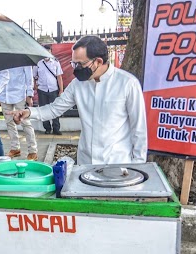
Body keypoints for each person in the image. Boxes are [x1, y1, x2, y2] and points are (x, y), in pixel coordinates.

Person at [11, 35, 147, 165]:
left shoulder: (127, 83)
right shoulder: (78, 85)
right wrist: (29, 113)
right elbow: (54, 109)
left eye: (80, 64)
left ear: (98, 61)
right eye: (73, 64)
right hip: (85, 162)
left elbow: (138, 129)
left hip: (117, 163)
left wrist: (138, 165)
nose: (76, 69)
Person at [0, 66, 38, 160]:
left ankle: (33, 151)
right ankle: (15, 148)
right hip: (3, 94)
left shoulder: (22, 55)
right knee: (9, 123)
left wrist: (29, 94)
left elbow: (29, 77)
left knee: (25, 123)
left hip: (19, 94)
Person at [34, 45, 64, 135]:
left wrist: (61, 90)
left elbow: (59, 77)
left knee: (55, 109)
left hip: (53, 89)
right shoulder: (38, 63)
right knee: (43, 110)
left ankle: (56, 128)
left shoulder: (55, 62)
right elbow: (34, 76)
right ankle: (47, 128)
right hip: (42, 90)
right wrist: (35, 85)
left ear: (51, 52)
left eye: (48, 51)